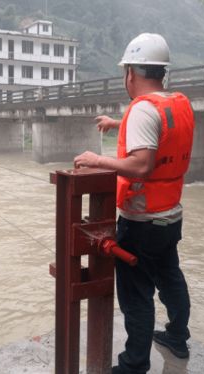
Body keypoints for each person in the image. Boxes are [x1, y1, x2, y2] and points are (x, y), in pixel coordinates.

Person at [74, 33, 195, 374]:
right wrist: (117, 123)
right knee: (170, 276)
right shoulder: (176, 103)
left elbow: (142, 164)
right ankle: (177, 336)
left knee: (136, 295)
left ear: (130, 72)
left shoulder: (143, 109)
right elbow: (161, 135)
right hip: (170, 215)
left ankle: (133, 365)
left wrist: (98, 160)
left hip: (141, 221)